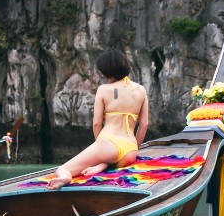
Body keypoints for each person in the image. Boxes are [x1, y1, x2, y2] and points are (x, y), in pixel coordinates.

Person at [48, 49, 149, 190]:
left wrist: (100, 147)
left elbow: (96, 123)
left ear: (107, 70)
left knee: (62, 169)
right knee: (108, 159)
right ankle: (102, 164)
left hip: (109, 144)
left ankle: (67, 176)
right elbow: (144, 125)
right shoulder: (141, 90)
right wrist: (134, 149)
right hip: (130, 151)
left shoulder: (104, 89)